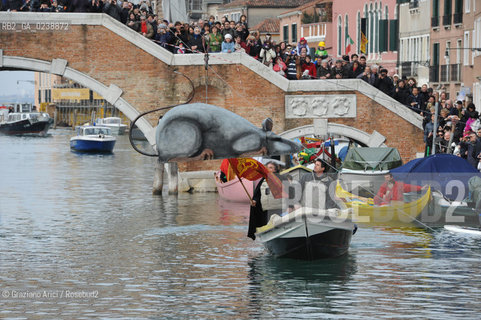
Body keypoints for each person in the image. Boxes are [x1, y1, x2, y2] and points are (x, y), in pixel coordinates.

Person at [247, 161, 280, 240]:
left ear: (275, 170)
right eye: (267, 167)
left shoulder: (280, 179)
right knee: (267, 227)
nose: (268, 169)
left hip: (278, 210)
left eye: (271, 168)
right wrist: (254, 200)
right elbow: (257, 195)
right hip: (266, 210)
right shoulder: (263, 180)